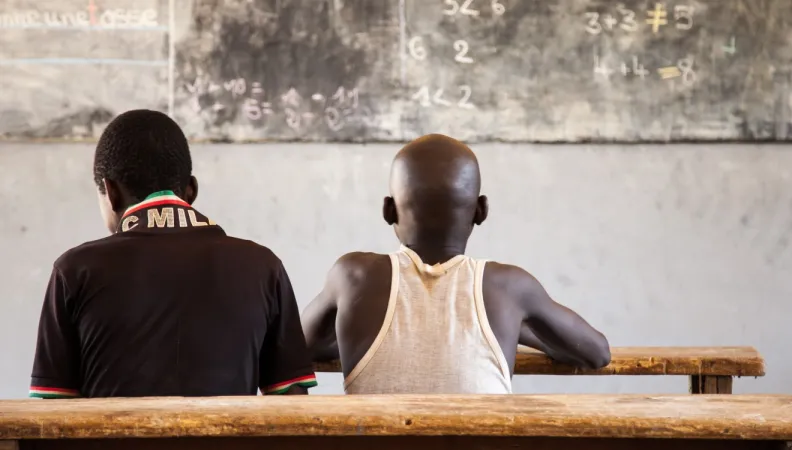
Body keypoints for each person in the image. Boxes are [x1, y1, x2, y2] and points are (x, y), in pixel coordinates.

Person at [30, 109, 316, 398]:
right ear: (190, 190)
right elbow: (292, 406)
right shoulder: (263, 267)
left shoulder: (74, 271)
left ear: (110, 191)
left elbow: (51, 413)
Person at [301, 134, 610, 394]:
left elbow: (297, 346)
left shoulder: (353, 275)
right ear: (481, 211)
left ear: (389, 210)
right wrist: (517, 328)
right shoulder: (510, 288)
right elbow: (596, 353)